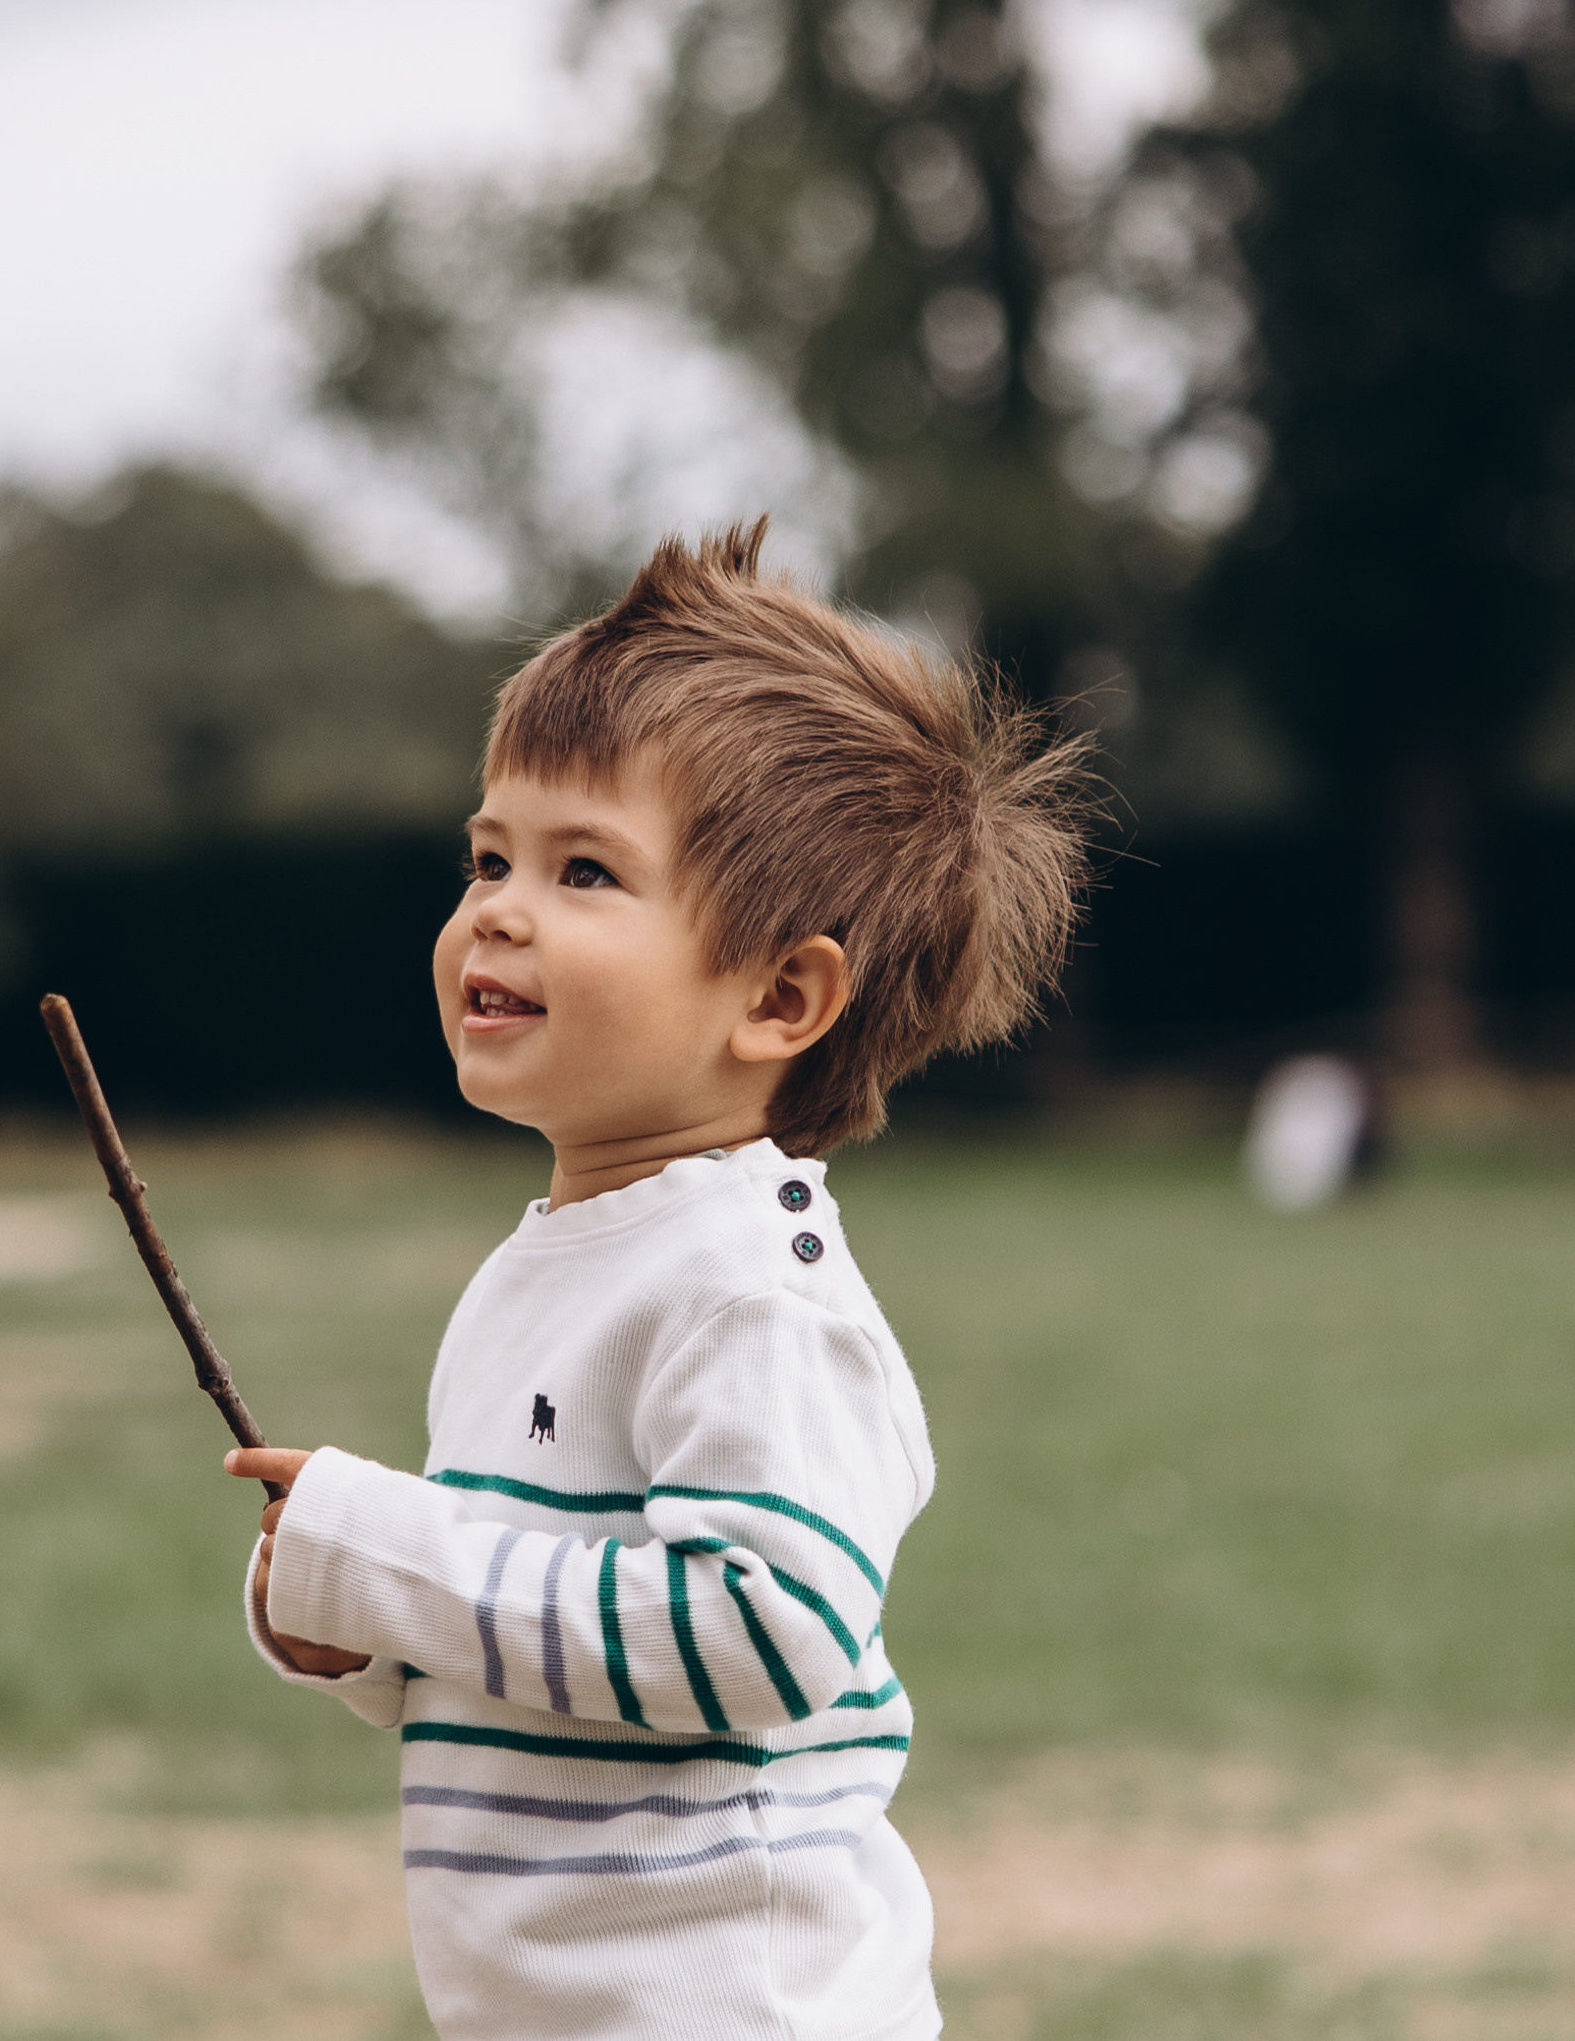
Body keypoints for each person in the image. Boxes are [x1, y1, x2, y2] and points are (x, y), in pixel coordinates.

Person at [225, 523, 1093, 2041]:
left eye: (582, 871)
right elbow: (536, 1628)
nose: (497, 906)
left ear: (778, 996)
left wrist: (391, 1550)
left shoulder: (750, 1293)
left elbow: (758, 1639)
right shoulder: (545, 1267)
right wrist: (350, 1628)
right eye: (488, 856)